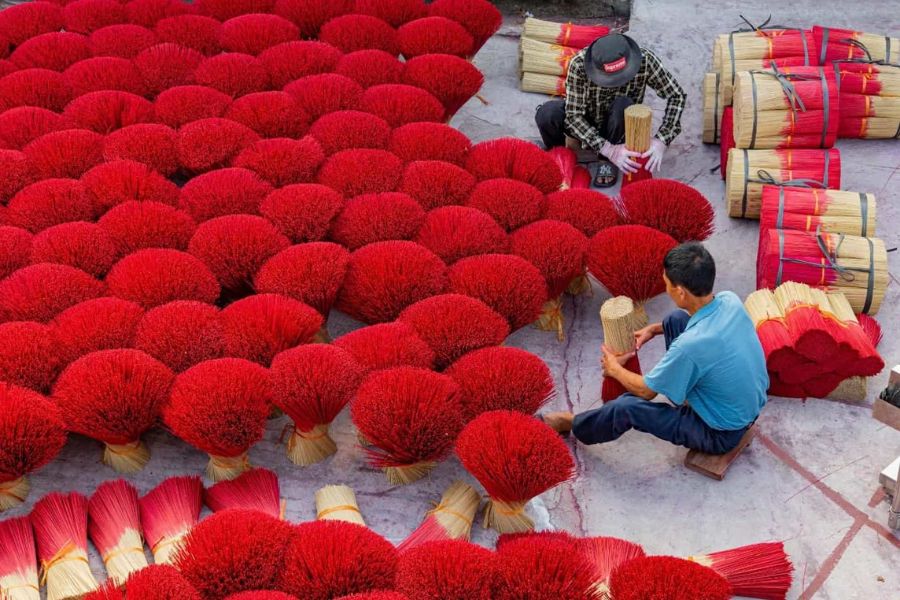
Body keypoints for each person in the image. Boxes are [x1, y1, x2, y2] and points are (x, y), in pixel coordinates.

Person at [543, 242, 769, 455]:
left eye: (667, 284)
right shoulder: (730, 300)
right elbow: (702, 326)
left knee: (627, 406)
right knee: (675, 319)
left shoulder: (689, 346)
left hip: (720, 433)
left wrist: (613, 368)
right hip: (747, 407)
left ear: (680, 292)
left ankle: (571, 422)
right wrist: (654, 328)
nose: (665, 288)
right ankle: (689, 394)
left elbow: (647, 392)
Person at [534, 32, 687, 187]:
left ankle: (605, 161)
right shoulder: (579, 65)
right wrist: (609, 149)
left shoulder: (645, 60)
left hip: (619, 123)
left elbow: (677, 95)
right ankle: (560, 157)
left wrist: (662, 139)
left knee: (623, 104)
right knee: (546, 114)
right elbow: (574, 117)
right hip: (586, 121)